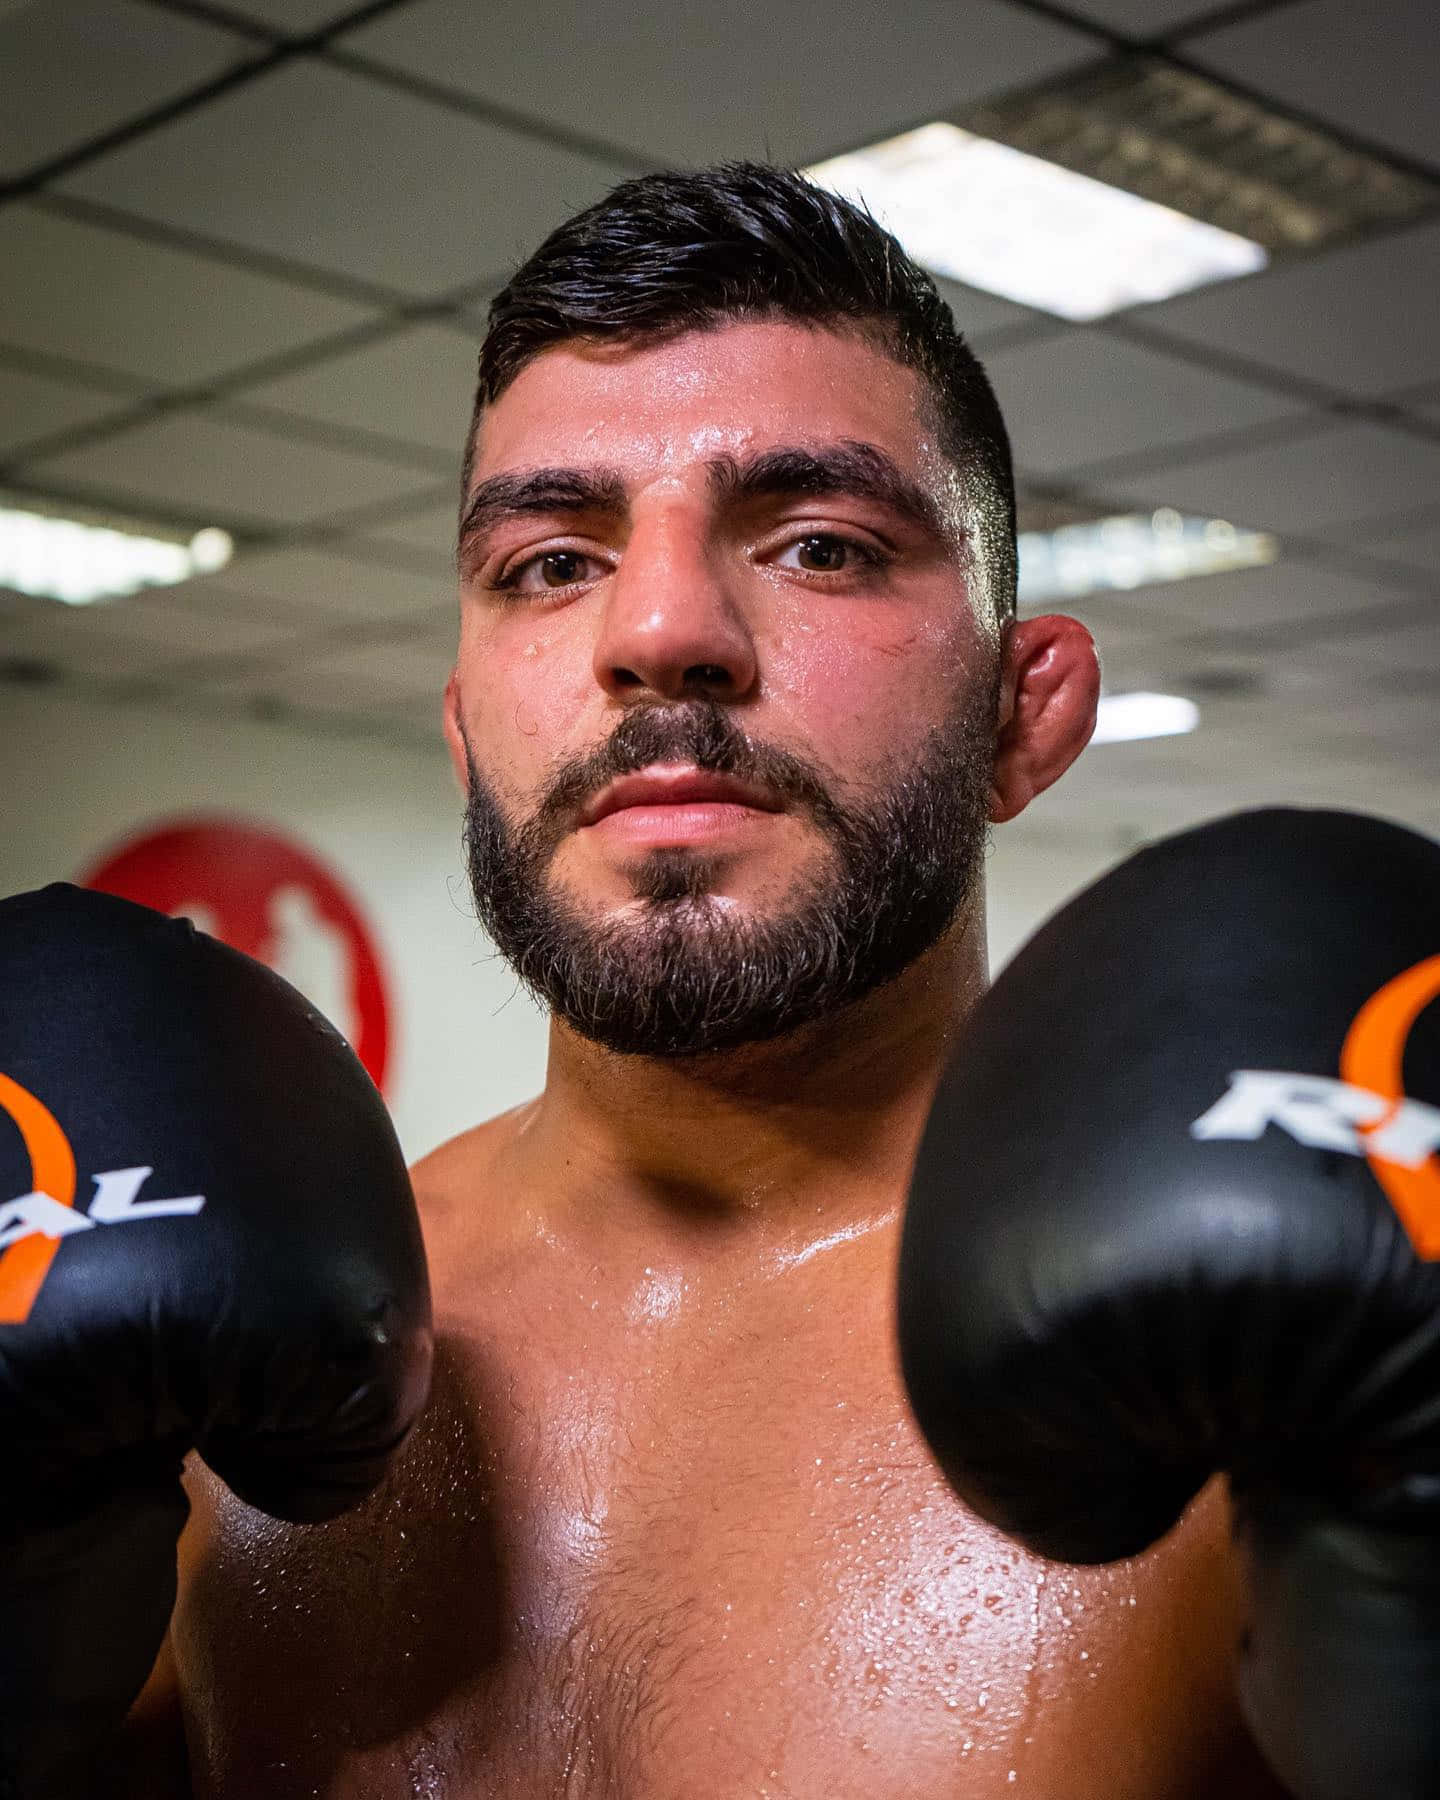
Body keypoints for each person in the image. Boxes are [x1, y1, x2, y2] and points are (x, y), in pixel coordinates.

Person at [121, 163, 1291, 1797]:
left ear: (1024, 710)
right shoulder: (224, 1353)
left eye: (819, 544)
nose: (662, 627)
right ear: (466, 733)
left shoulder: (1259, 1384)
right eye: (551, 562)